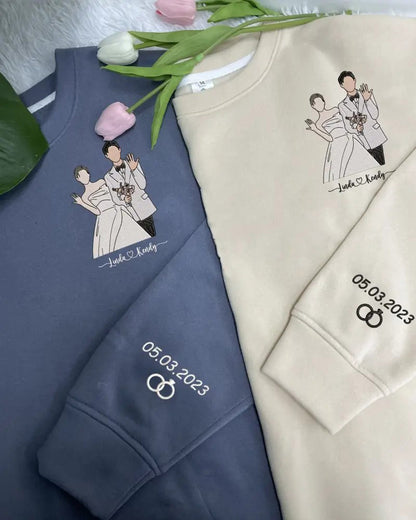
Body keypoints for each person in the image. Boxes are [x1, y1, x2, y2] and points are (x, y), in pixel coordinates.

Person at [72, 165, 150, 258]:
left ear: (89, 174)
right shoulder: (85, 197)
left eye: (86, 174)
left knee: (131, 235)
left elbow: (115, 194)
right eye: (81, 176)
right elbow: (97, 212)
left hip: (117, 210)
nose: (85, 178)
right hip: (105, 218)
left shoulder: (101, 182)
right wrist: (82, 203)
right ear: (78, 179)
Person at [306, 93, 378, 183]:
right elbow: (330, 139)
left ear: (324, 102)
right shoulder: (318, 123)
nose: (320, 105)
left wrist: (356, 126)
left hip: (349, 138)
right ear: (313, 106)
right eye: (316, 104)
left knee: (362, 162)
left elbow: (348, 122)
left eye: (321, 102)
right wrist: (315, 129)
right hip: (337, 145)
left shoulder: (336, 109)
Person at [103, 140, 157, 237]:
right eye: (111, 153)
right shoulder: (108, 177)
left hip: (143, 206)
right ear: (107, 156)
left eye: (115, 151)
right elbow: (114, 198)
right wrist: (124, 199)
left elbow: (142, 185)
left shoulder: (132, 163)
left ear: (119, 150)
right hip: (131, 212)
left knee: (153, 233)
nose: (114, 154)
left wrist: (134, 169)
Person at [337, 70, 387, 165]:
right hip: (362, 140)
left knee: (381, 162)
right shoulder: (342, 105)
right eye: (346, 83)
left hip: (374, 134)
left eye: (350, 81)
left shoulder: (365, 93)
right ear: (342, 85)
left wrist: (367, 100)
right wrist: (356, 129)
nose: (349, 85)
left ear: (354, 80)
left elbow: (375, 115)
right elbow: (347, 126)